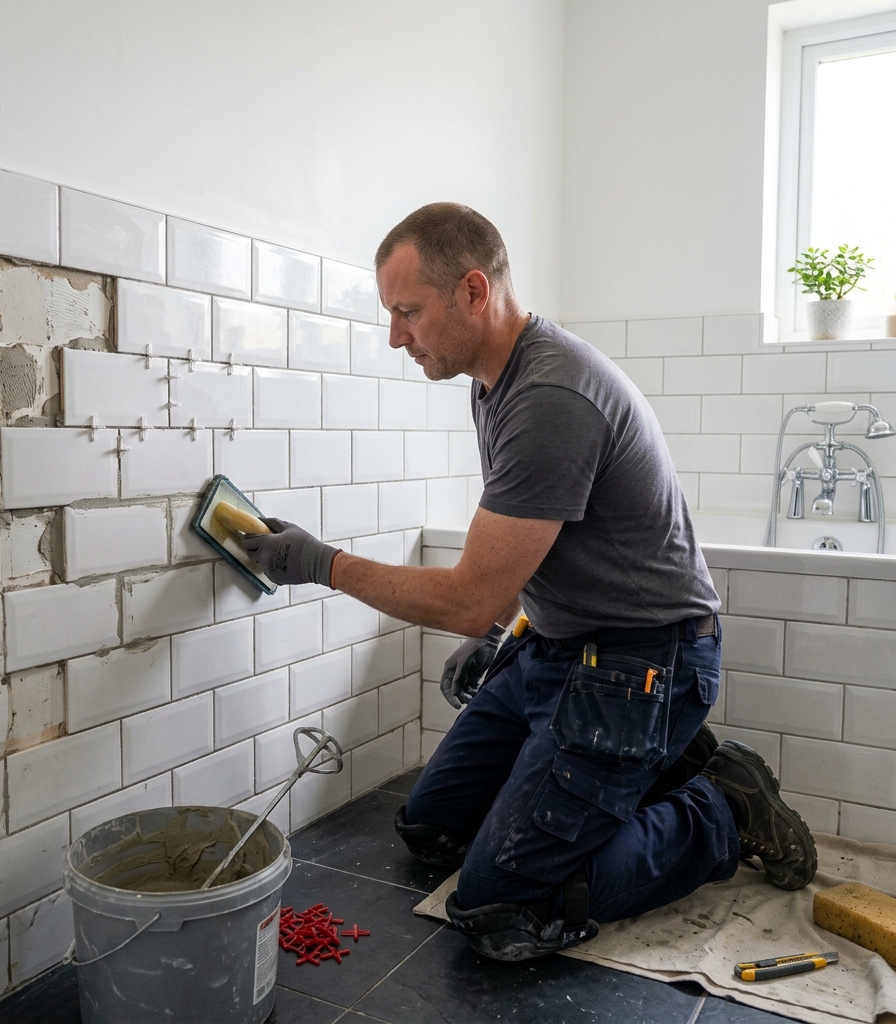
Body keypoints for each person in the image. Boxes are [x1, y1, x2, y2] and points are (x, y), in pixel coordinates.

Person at [241, 203, 817, 961]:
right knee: (432, 830)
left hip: (642, 664)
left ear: (474, 291)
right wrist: (504, 628)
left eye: (408, 312)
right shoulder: (494, 383)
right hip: (558, 650)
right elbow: (529, 553)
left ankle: (721, 810)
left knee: (504, 904)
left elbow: (468, 595)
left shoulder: (550, 395)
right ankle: (650, 767)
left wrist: (324, 566)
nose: (396, 337)